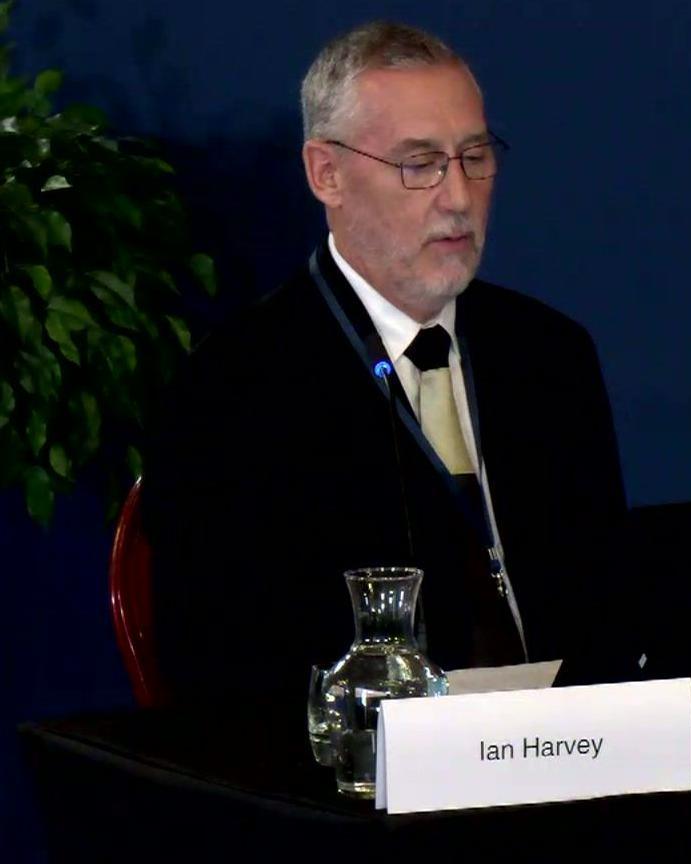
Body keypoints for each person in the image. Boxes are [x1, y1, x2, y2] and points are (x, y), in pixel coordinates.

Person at [144, 21, 627, 704]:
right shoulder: (233, 387)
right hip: (353, 783)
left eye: (475, 157)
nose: (458, 197)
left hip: (565, 760)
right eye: (420, 163)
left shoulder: (549, 355)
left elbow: (605, 607)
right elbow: (220, 670)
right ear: (327, 174)